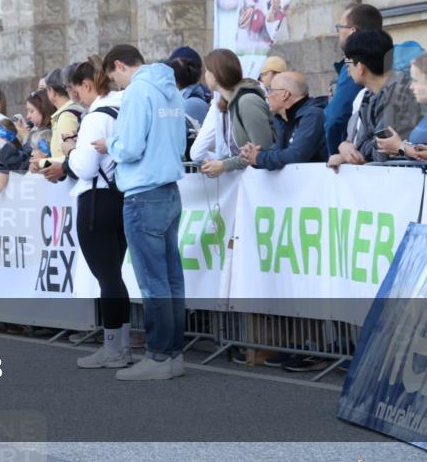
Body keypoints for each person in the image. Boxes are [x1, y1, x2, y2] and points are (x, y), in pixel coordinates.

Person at [93, 44, 186, 381]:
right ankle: (173, 353)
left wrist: (110, 145)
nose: (115, 85)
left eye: (113, 77)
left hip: (143, 192)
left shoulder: (136, 93)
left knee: (153, 281)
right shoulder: (171, 90)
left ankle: (159, 356)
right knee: (172, 279)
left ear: (119, 65)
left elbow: (129, 148)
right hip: (169, 189)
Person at [63, 57, 130, 369]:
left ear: (87, 86)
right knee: (114, 275)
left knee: (108, 277)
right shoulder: (125, 106)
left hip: (95, 200)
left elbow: (85, 166)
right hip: (121, 196)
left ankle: (114, 348)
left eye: (77, 93)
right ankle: (120, 345)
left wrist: (70, 154)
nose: (78, 99)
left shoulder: (95, 116)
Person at [331, 29, 425, 167]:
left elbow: (381, 149)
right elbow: (362, 141)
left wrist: (350, 151)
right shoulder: (369, 94)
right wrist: (345, 146)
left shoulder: (400, 93)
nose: (347, 69)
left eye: (348, 63)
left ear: (361, 67)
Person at [199, 49, 274, 177]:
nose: (205, 75)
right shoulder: (233, 102)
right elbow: (245, 153)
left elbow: (262, 150)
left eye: (207, 71)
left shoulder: (247, 102)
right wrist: (218, 164)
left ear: (216, 75)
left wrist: (223, 165)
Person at [324, 3, 383, 156]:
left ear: (352, 32)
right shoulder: (387, 56)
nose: (338, 33)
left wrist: (338, 152)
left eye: (340, 27)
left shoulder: (356, 64)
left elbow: (334, 118)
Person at [240, 72, 328, 169]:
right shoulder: (283, 118)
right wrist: (253, 155)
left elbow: (295, 156)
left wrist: (259, 157)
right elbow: (279, 152)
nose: (266, 96)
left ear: (285, 94)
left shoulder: (313, 116)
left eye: (270, 90)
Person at [41, 67, 83, 182]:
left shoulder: (66, 116)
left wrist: (41, 162)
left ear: (51, 91)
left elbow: (68, 155)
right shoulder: (66, 113)